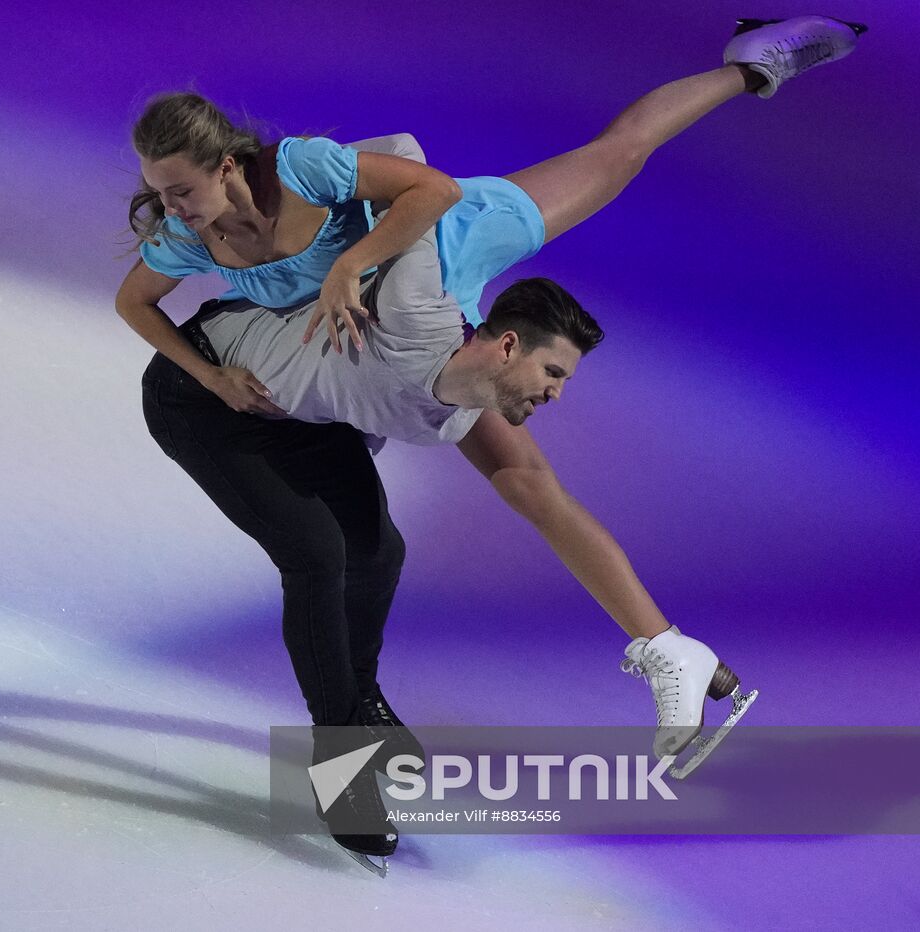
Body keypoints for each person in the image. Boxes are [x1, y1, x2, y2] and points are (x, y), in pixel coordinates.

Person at [115, 16, 862, 871]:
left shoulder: (304, 169)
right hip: (386, 332)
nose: (171, 210)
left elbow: (425, 186)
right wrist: (216, 377)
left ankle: (751, 67)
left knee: (615, 161)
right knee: (440, 500)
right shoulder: (185, 233)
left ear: (226, 165)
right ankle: (649, 654)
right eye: (161, 194)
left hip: (431, 259)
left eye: (180, 189)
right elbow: (138, 299)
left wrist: (350, 264)